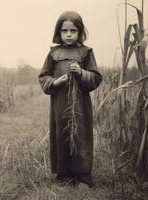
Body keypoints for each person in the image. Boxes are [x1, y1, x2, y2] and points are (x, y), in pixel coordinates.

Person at [38, 11, 102, 188]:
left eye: (73, 31)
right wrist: (55, 81)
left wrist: (81, 73)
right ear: (58, 32)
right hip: (59, 104)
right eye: (64, 31)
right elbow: (43, 77)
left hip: (80, 105)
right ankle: (64, 175)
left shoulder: (86, 52)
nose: (68, 34)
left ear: (80, 32)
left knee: (81, 136)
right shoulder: (53, 53)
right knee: (61, 135)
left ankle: (83, 177)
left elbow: (96, 78)